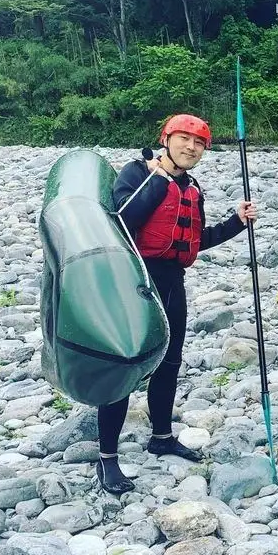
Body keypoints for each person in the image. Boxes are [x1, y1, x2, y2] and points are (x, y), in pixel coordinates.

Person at [95, 114, 257, 494]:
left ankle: (162, 436)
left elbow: (198, 239)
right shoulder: (138, 172)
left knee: (170, 362)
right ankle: (107, 460)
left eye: (199, 143)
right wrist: (157, 178)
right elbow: (121, 219)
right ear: (165, 139)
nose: (191, 147)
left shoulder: (193, 188)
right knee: (125, 366)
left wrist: (236, 222)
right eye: (184, 139)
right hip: (133, 281)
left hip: (172, 282)